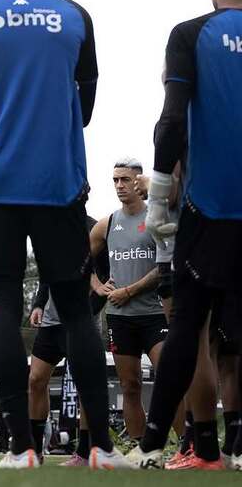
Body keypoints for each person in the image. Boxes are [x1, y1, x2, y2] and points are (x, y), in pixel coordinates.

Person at [0, 0, 129, 469]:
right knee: (74, 312)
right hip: (57, 181)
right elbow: (85, 108)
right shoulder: (73, 14)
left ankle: (22, 448)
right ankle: (101, 450)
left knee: (2, 306)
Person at [126, 0, 242, 470]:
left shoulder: (191, 34)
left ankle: (153, 444)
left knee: (189, 327)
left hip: (207, 206)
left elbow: (171, 121)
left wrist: (157, 193)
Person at [90, 158, 184, 442]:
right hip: (120, 318)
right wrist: (96, 284)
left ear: (139, 181)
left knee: (170, 379)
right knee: (129, 386)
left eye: (125, 179)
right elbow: (79, 258)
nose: (120, 185)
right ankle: (138, 446)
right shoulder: (107, 224)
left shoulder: (156, 218)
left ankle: (185, 445)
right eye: (115, 180)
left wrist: (130, 290)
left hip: (156, 315)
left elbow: (164, 266)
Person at [28, 216, 106, 467]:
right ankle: (35, 450)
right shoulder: (50, 225)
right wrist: (38, 304)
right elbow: (47, 274)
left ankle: (84, 453)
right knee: (35, 379)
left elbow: (104, 281)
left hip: (80, 323)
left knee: (85, 386)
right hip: (51, 323)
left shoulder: (96, 229)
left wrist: (84, 314)